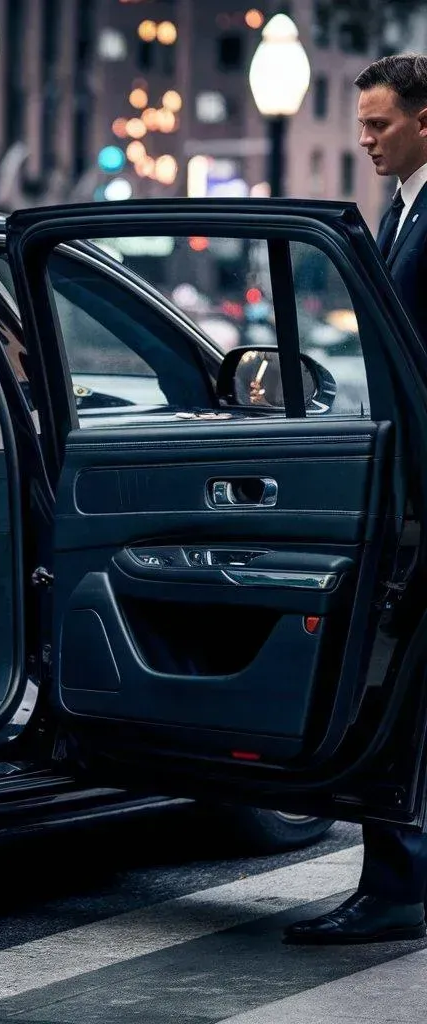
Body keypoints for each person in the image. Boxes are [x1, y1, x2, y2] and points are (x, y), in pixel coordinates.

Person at [284, 52, 427, 946]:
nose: (364, 140)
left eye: (378, 125)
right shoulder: (402, 206)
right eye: (362, 124)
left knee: (393, 679)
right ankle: (401, 877)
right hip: (403, 470)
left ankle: (398, 885)